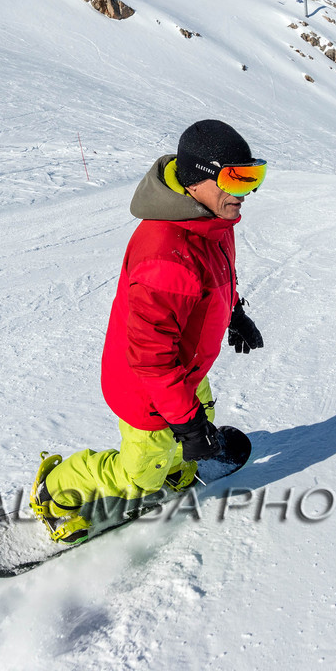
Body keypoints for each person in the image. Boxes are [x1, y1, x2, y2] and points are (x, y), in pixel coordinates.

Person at [31, 119, 266, 543]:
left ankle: (178, 468)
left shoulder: (211, 222)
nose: (245, 191)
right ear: (197, 180)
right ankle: (58, 489)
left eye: (254, 176)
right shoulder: (166, 258)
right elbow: (151, 359)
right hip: (147, 388)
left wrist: (234, 312)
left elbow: (215, 279)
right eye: (236, 178)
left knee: (201, 417)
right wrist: (186, 422)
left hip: (184, 371)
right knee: (139, 474)